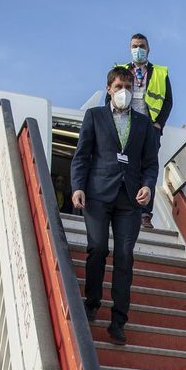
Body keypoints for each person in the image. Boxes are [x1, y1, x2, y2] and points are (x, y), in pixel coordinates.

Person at [72, 66, 159, 345]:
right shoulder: (94, 116)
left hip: (129, 199)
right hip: (98, 194)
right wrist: (78, 187)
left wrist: (148, 186)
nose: (124, 92)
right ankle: (92, 302)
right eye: (119, 86)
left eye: (129, 87)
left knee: (124, 256)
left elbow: (150, 164)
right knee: (98, 248)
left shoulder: (143, 124)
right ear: (109, 88)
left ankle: (118, 321)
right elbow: (82, 155)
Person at [117, 33, 172, 231]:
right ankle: (121, 207)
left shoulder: (159, 72)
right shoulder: (121, 70)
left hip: (149, 127)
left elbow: (168, 101)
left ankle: (145, 215)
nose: (137, 49)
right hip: (126, 124)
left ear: (148, 49)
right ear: (129, 49)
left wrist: (159, 124)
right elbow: (111, 96)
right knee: (122, 165)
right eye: (134, 46)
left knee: (148, 168)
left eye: (141, 46)